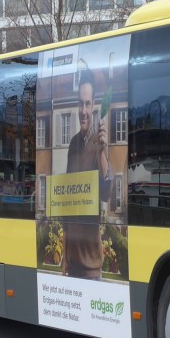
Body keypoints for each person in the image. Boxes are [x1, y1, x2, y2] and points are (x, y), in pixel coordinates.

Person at [61, 68, 112, 279]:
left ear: (93, 107)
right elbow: (66, 202)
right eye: (80, 104)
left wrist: (101, 154)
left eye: (88, 104)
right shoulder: (72, 145)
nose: (83, 110)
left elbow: (106, 194)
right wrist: (64, 254)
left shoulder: (100, 144)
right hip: (72, 265)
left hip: (91, 267)